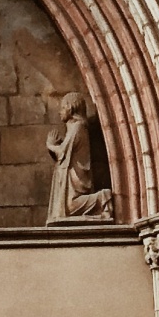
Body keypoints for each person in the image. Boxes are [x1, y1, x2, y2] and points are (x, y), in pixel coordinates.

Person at [46, 93, 113, 223]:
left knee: (70, 208)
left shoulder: (77, 127)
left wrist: (50, 145)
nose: (60, 112)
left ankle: (102, 198)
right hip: (71, 180)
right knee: (65, 209)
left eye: (63, 108)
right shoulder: (74, 128)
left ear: (70, 108)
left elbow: (62, 152)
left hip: (75, 182)